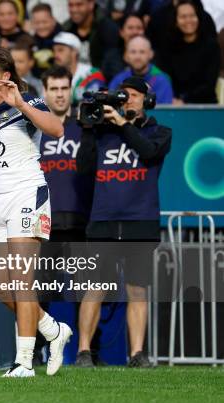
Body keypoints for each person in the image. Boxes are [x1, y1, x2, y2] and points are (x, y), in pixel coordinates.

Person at [0, 46, 72, 378]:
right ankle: (52, 329)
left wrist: (19, 103)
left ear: (5, 76)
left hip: (26, 194)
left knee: (21, 279)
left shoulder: (26, 101)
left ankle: (25, 361)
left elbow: (56, 129)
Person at [75, 76, 172, 368]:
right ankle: (83, 353)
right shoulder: (104, 132)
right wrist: (90, 130)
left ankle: (137, 354)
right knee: (95, 287)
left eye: (133, 95)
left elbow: (149, 152)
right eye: (122, 95)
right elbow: (83, 168)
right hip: (103, 221)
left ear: (147, 100)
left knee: (137, 289)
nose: (127, 100)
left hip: (140, 222)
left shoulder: (160, 131)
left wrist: (122, 124)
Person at [39, 65, 93, 242]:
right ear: (44, 91)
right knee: (44, 270)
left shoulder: (87, 127)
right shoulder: (34, 129)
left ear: (71, 90)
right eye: (54, 89)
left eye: (64, 88)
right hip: (42, 219)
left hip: (82, 219)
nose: (60, 94)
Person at [157, 0, 220, 104]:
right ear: (176, 21)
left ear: (198, 17)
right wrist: (175, 98)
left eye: (192, 16)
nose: (188, 20)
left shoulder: (211, 46)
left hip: (206, 105)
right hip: (175, 104)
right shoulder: (168, 46)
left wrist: (185, 100)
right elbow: (166, 78)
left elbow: (209, 84)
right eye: (183, 17)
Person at [63, 0, 122, 80]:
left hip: (100, 83)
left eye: (79, 5)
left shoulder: (107, 28)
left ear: (91, 4)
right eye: (71, 5)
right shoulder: (66, 30)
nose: (74, 10)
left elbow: (113, 64)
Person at [109, 36, 173, 104]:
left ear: (151, 54)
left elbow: (162, 111)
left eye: (142, 52)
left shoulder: (161, 80)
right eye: (133, 52)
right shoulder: (119, 79)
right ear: (126, 55)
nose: (137, 57)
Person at [52, 32, 106, 104]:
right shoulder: (51, 77)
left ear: (74, 52)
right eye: (54, 51)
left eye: (60, 50)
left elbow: (96, 103)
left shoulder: (92, 75)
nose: (55, 55)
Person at [30, 3, 63, 78]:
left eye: (45, 22)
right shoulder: (32, 41)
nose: (41, 26)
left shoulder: (63, 40)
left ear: (53, 20)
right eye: (37, 23)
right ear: (32, 23)